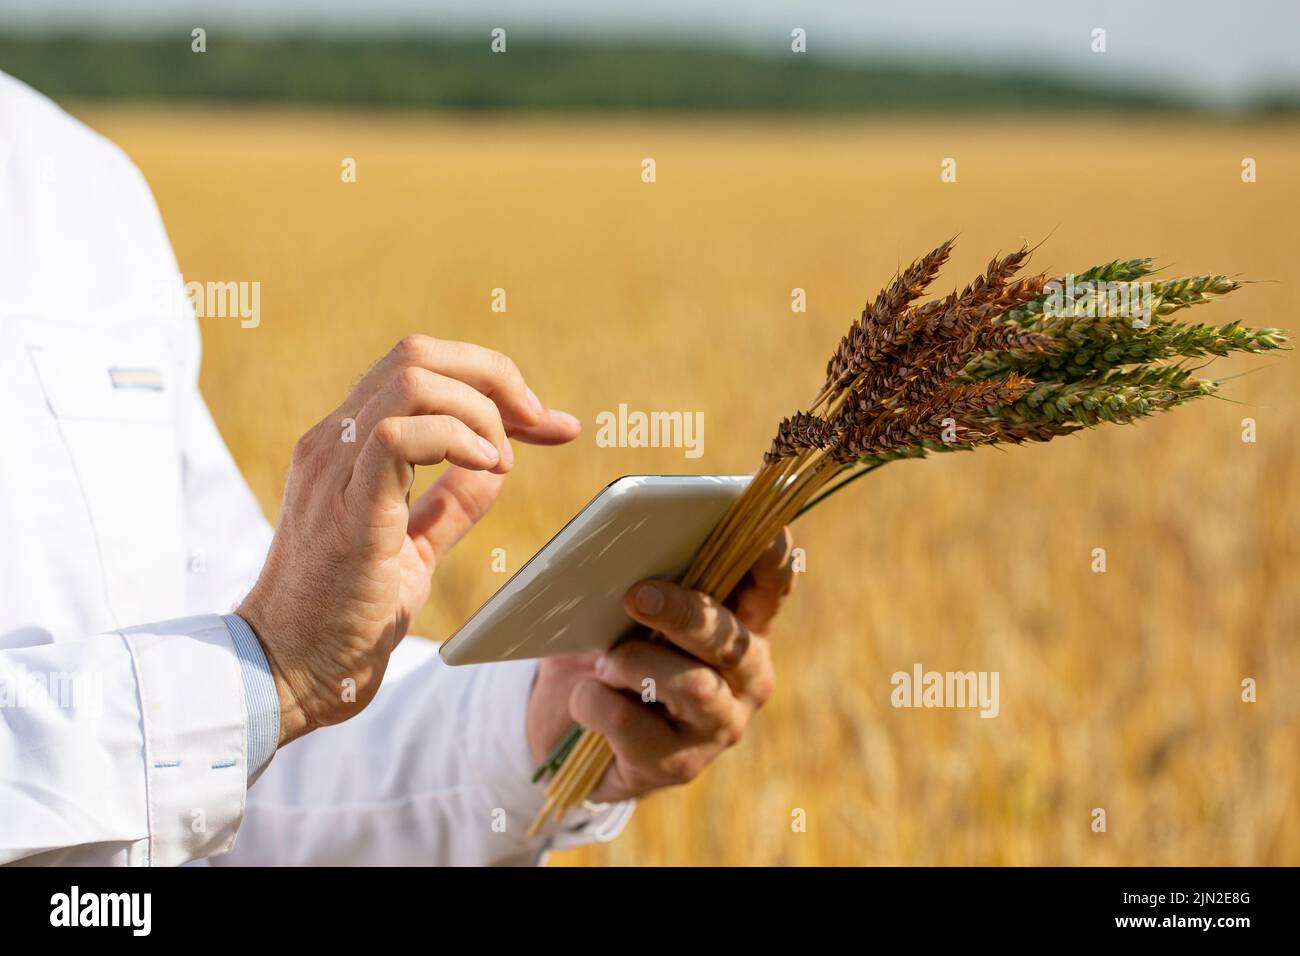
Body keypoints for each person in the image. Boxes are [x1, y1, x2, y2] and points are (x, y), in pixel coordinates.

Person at [0, 70, 792, 866]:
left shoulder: (81, 185)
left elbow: (227, 761)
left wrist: (535, 730)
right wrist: (266, 674)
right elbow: (227, 695)